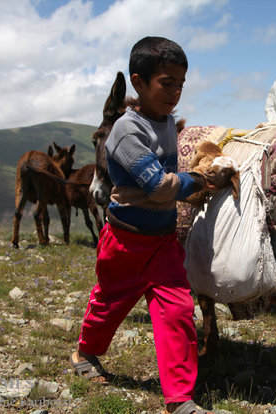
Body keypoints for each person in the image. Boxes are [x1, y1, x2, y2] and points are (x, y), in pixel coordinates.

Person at [69, 36, 214, 414]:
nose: (176, 93)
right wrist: (197, 180)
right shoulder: (126, 132)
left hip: (162, 240)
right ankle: (84, 353)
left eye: (181, 84)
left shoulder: (165, 122)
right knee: (110, 304)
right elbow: (159, 187)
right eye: (167, 83)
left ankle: (179, 399)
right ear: (138, 81)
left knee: (178, 311)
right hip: (126, 241)